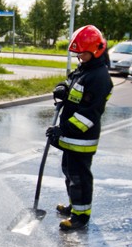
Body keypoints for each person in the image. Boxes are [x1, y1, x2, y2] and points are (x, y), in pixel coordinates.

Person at [46, 24, 113, 231]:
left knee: (79, 178)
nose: (79, 57)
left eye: (82, 54)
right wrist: (62, 88)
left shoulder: (100, 78)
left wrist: (62, 129)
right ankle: (75, 206)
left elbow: (88, 116)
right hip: (71, 137)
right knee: (69, 172)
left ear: (95, 51)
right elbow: (72, 84)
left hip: (82, 139)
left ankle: (81, 217)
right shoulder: (85, 69)